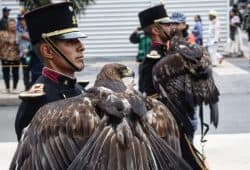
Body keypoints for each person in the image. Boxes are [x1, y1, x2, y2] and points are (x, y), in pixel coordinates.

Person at [15, 2, 89, 141]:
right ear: (48, 51)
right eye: (71, 41)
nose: (82, 46)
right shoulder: (37, 104)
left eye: (79, 40)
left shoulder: (80, 90)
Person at [138, 4, 172, 98]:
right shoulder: (153, 59)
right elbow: (153, 97)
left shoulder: (166, 51)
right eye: (167, 25)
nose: (171, 27)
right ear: (156, 30)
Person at [0, 18, 20, 94]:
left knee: (15, 73)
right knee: (6, 73)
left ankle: (15, 88)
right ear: (7, 26)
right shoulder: (2, 34)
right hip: (5, 56)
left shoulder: (18, 34)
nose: (13, 26)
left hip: (16, 57)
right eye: (11, 24)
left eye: (14, 24)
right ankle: (7, 88)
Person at [129, 27, 151, 93]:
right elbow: (133, 40)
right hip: (142, 60)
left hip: (152, 59)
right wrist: (135, 32)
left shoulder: (154, 35)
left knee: (150, 77)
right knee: (142, 77)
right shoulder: (141, 35)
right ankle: (141, 92)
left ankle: (150, 92)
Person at [16, 14, 32, 91]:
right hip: (23, 55)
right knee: (25, 72)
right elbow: (16, 42)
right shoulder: (18, 30)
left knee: (33, 71)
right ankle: (27, 88)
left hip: (31, 54)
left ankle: (33, 87)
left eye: (23, 20)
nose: (22, 21)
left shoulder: (30, 29)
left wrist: (27, 38)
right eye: (20, 20)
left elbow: (34, 40)